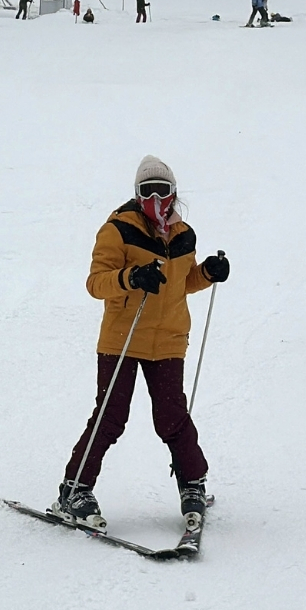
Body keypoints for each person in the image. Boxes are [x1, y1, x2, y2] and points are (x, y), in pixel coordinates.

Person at [52, 156, 231, 534]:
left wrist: (207, 275)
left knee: (172, 417)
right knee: (111, 415)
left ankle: (192, 482)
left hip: (167, 339)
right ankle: (75, 489)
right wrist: (131, 276)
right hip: (123, 337)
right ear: (136, 195)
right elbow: (96, 283)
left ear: (173, 193)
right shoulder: (117, 230)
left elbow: (182, 283)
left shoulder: (183, 234)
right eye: (146, 191)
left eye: (162, 190)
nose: (155, 197)